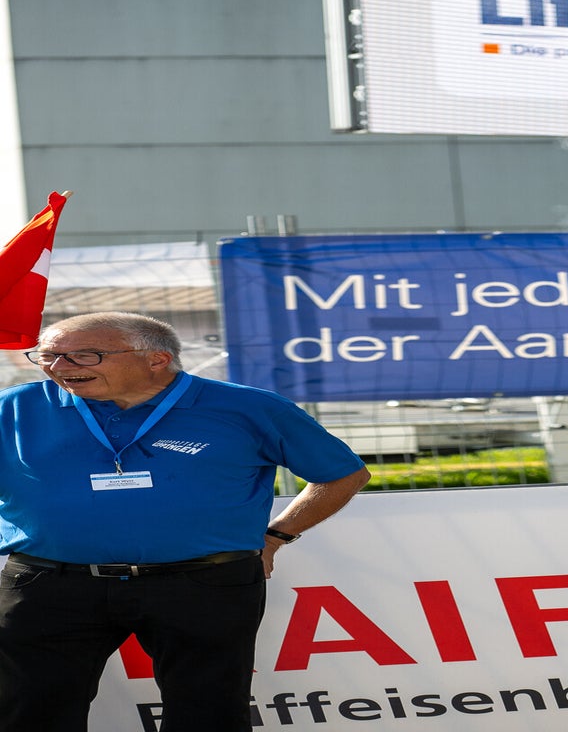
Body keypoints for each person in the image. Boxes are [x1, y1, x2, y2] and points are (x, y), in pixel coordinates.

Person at [0, 311, 372, 732]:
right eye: (47, 356)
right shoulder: (14, 407)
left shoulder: (249, 408)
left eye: (83, 356)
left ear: (156, 359)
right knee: (30, 712)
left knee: (208, 713)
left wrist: (275, 537)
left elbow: (343, 475)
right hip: (49, 585)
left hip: (203, 583)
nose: (58, 367)